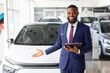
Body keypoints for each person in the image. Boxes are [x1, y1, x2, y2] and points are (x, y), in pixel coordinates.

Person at [32, 5, 92, 73]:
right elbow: (58, 44)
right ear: (66, 13)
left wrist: (78, 51)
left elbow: (89, 46)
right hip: (64, 64)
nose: (71, 15)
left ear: (77, 13)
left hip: (77, 64)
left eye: (74, 13)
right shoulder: (62, 27)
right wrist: (44, 52)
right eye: (69, 13)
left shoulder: (85, 28)